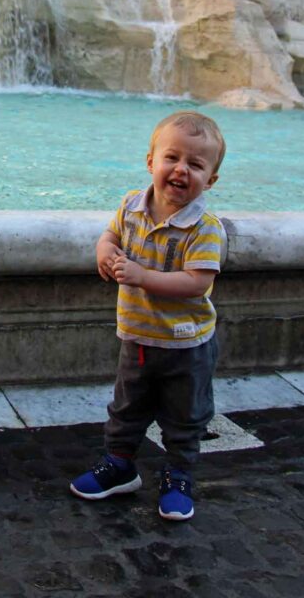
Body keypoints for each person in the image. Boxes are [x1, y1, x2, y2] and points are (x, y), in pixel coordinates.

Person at [70, 111, 227, 521]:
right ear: (150, 162)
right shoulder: (130, 207)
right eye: (172, 157)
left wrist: (142, 276)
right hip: (137, 337)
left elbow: (196, 282)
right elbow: (109, 235)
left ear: (210, 179)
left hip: (186, 343)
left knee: (186, 415)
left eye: (195, 165)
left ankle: (178, 475)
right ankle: (120, 465)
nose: (181, 169)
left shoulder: (205, 228)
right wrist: (104, 250)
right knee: (126, 406)